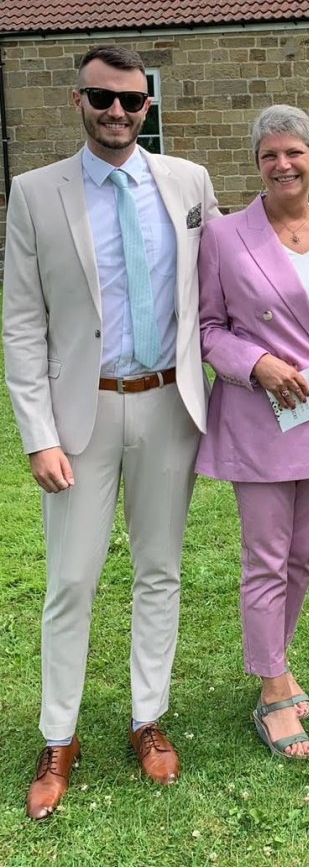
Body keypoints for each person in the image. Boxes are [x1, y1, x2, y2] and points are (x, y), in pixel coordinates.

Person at [3, 45, 220, 819]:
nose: (118, 112)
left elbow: (226, 276)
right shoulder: (34, 193)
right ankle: (58, 735)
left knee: (159, 569)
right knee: (70, 580)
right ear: (79, 102)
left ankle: (146, 718)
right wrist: (37, 433)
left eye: (131, 100)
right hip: (79, 414)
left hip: (169, 405)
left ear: (147, 107)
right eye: (103, 98)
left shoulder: (188, 182)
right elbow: (23, 323)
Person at [195, 106, 309, 758]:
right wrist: (254, 364)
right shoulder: (224, 235)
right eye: (269, 155)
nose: (282, 164)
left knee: (301, 558)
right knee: (265, 558)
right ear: (257, 164)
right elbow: (208, 327)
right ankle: (271, 690)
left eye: (294, 153)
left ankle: (276, 663)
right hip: (260, 417)